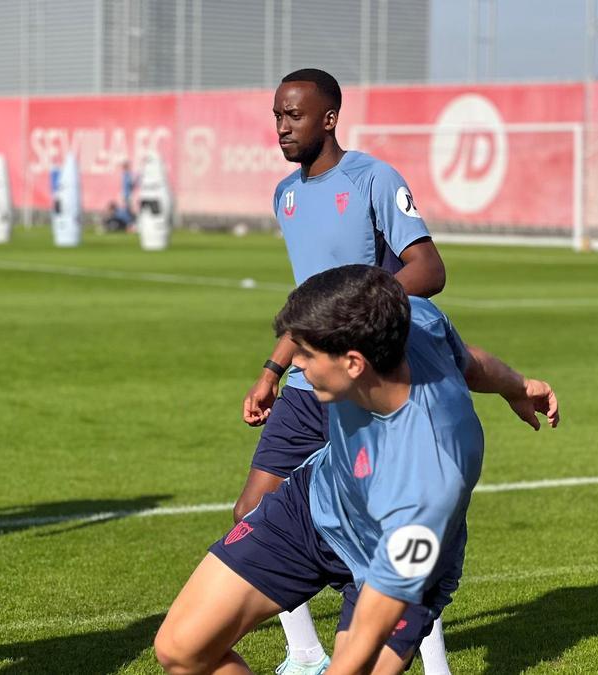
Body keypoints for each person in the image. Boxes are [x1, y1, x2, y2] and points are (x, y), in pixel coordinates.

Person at [156, 264, 560, 675]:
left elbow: (380, 610)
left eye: (307, 355)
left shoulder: (433, 476)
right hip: (317, 503)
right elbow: (466, 360)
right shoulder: (414, 319)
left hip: (390, 557)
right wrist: (518, 385)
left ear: (353, 363)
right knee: (182, 648)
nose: (297, 365)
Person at [238, 68, 448, 674]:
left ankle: (435, 666)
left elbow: (429, 269)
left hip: (362, 385)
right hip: (305, 384)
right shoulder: (284, 195)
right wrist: (273, 369)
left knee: (388, 535)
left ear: (329, 118)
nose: (282, 127)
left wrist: (358, 307)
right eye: (277, 116)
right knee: (252, 513)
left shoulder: (373, 179)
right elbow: (311, 300)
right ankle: (305, 653)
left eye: (294, 115)